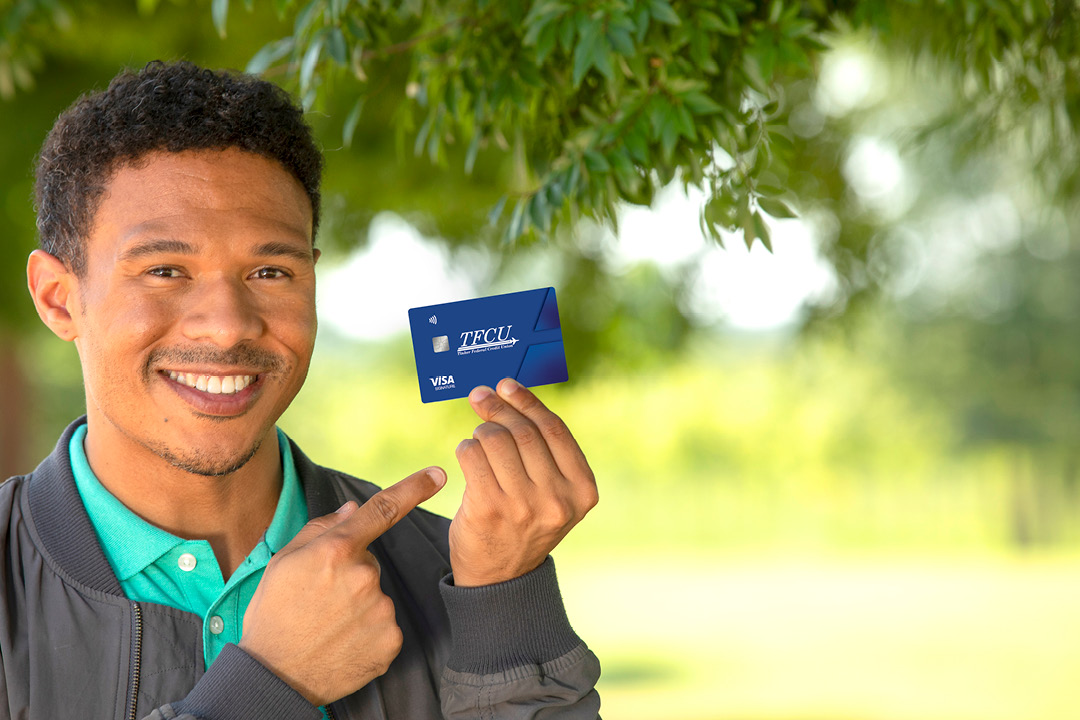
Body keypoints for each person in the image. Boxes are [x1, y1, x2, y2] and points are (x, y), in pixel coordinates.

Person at [0, 60, 601, 719]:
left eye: (269, 270)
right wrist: (270, 685)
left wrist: (503, 601)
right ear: (59, 300)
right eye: (166, 269)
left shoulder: (456, 572)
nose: (229, 326)